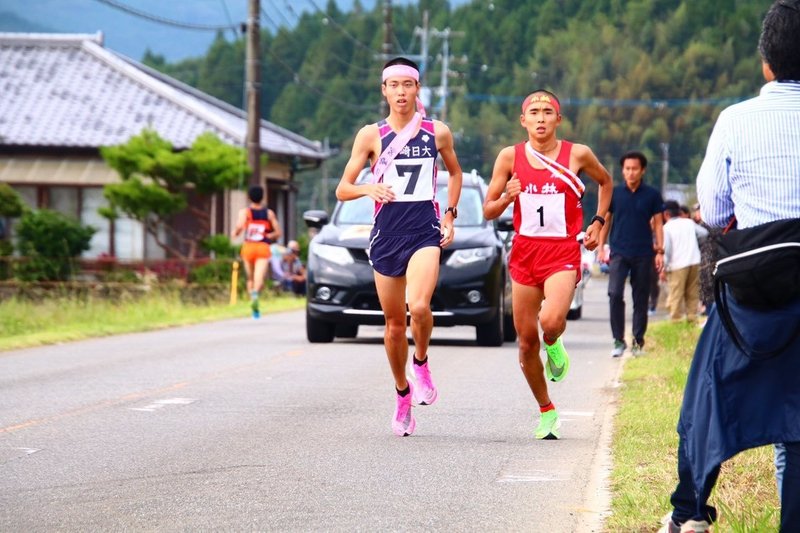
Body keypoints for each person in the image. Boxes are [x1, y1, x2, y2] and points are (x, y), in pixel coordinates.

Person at [660, 2, 800, 531]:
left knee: (704, 396)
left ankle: (690, 513)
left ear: (766, 61)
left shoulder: (736, 120)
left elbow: (714, 211)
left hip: (752, 295)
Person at [334, 57, 462, 437]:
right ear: (384, 90)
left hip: (424, 229)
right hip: (386, 235)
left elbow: (455, 172)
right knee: (392, 326)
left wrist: (450, 214)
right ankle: (402, 394)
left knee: (419, 306)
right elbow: (342, 188)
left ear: (417, 89)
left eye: (409, 84)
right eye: (395, 85)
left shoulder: (437, 132)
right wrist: (366, 188)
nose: (402, 91)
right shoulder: (370, 135)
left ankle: (420, 363)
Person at [483, 89, 612, 440]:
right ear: (523, 120)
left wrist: (598, 223)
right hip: (525, 254)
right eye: (534, 112)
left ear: (558, 119)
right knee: (525, 343)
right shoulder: (510, 157)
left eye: (547, 111)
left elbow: (605, 182)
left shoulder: (578, 154)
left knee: (550, 321)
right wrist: (508, 195)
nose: (541, 118)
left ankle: (554, 342)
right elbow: (488, 209)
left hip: (561, 254)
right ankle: (546, 411)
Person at [597, 151, 665, 357]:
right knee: (615, 293)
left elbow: (659, 224)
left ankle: (637, 342)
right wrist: (601, 247)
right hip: (619, 251)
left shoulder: (652, 195)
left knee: (641, 298)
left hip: (644, 253)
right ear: (622, 170)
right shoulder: (615, 193)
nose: (631, 173)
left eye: (635, 169)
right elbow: (606, 220)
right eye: (627, 169)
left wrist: (660, 251)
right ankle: (618, 340)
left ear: (642, 170)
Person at [232, 185, 281, 319]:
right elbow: (278, 232)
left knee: (250, 278)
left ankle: (252, 302)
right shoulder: (269, 213)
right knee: (259, 279)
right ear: (262, 197)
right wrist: (269, 235)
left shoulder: (245, 212)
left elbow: (239, 227)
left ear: (249, 197)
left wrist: (234, 234)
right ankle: (255, 295)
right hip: (262, 247)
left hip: (248, 247)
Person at [661, 201, 707, 322]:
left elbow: (668, 249)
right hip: (694, 260)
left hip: (677, 264)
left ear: (666, 214)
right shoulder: (688, 223)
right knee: (692, 292)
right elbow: (704, 233)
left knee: (676, 293)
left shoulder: (666, 228)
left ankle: (676, 319)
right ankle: (692, 317)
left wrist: (664, 267)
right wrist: (696, 244)